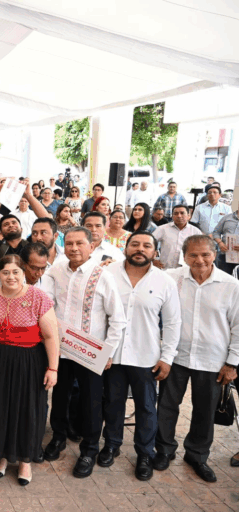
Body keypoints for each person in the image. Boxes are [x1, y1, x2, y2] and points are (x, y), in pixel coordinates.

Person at [153, 235, 239, 482]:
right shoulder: (172, 278)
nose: (199, 260)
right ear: (184, 256)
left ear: (215, 254)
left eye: (205, 254)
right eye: (193, 255)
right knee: (167, 407)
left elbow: (238, 326)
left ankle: (197, 455)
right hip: (176, 356)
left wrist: (233, 362)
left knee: (205, 410)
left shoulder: (231, 285)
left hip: (213, 360)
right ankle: (164, 450)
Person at [40, 227, 125, 478]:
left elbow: (117, 319)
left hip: (91, 352)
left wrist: (108, 352)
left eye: (80, 243)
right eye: (69, 243)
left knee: (91, 402)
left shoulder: (104, 276)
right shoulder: (56, 270)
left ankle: (89, 449)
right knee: (60, 396)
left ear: (91, 246)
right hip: (62, 349)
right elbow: (47, 302)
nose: (74, 248)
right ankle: (58, 437)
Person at [101, 232, 181, 481]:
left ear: (155, 252)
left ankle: (145, 453)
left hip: (146, 356)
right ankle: (111, 444)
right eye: (134, 244)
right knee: (112, 403)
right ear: (125, 247)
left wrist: (167, 356)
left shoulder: (165, 281)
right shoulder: (107, 273)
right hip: (112, 356)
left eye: (147, 246)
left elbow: (172, 322)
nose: (140, 249)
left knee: (146, 408)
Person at [0, 254, 59, 485]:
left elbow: (51, 336)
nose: (11, 277)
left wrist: (53, 368)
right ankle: (0, 455)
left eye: (16, 272)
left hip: (28, 361)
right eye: (5, 272)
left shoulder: (38, 297)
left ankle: (25, 460)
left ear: (24, 273)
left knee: (27, 408)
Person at [152, 205, 201, 270]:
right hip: (165, 269)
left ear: (189, 216)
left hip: (187, 270)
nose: (179, 216)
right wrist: (152, 259)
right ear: (172, 216)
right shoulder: (162, 229)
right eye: (176, 213)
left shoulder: (195, 232)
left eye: (182, 213)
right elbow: (149, 243)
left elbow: (202, 249)